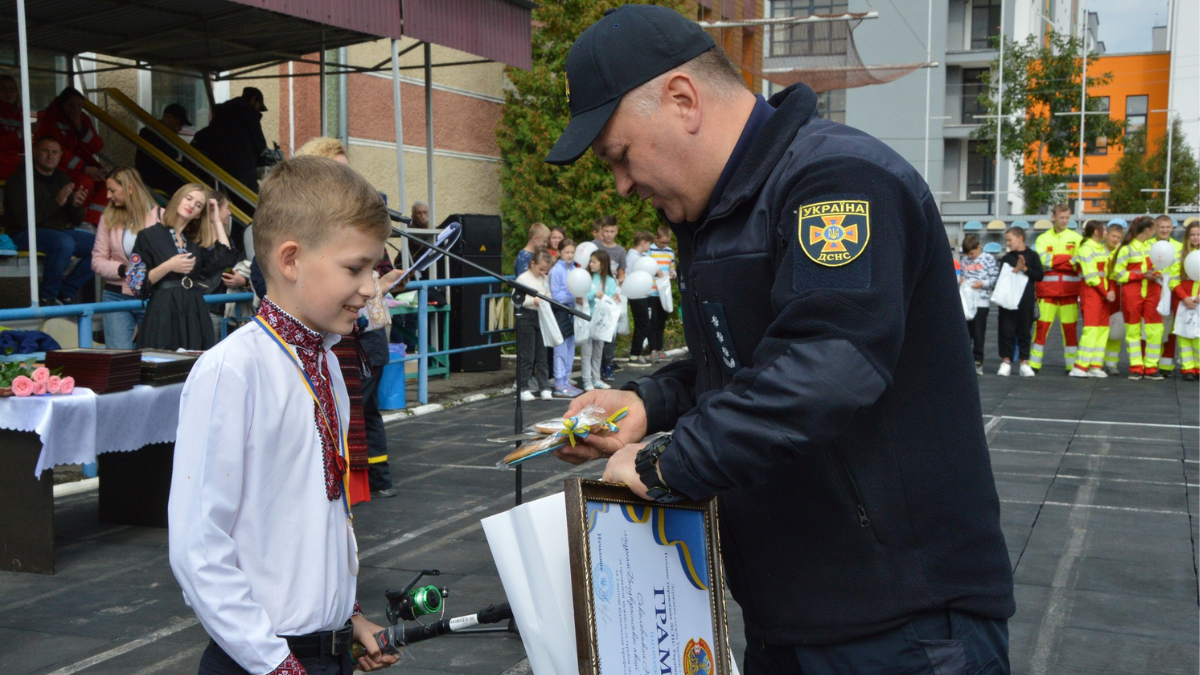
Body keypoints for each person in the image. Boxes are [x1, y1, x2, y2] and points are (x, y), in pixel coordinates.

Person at [547, 7, 1014, 672]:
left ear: (683, 99)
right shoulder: (724, 213)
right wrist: (648, 402)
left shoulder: (837, 181)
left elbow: (828, 364)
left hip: (899, 624)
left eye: (620, 154)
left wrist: (664, 465)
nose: (622, 184)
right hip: (794, 615)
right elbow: (746, 363)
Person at [168, 156, 401, 675]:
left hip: (324, 652)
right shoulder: (232, 370)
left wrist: (350, 617)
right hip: (264, 660)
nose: (370, 287)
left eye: (373, 269)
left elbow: (319, 523)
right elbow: (197, 548)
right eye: (355, 268)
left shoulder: (329, 366)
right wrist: (277, 665)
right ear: (291, 259)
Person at [294, 136, 399, 500]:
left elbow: (376, 283)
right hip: (318, 340)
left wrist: (381, 282)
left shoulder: (359, 233)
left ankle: (366, 483)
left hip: (358, 337)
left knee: (362, 413)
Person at [125, 183, 239, 350]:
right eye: (189, 198)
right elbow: (135, 283)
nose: (191, 205)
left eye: (198, 205)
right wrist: (169, 266)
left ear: (199, 214)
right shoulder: (148, 236)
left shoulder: (194, 242)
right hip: (163, 310)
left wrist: (215, 220)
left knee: (193, 366)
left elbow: (226, 258)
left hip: (193, 310)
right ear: (179, 198)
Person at [1, 135, 94, 305]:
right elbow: (23, 221)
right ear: (35, 152)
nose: (50, 156)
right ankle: (47, 297)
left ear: (60, 156)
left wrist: (75, 205)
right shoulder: (20, 178)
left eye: (54, 152)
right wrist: (56, 202)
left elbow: (77, 220)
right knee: (64, 243)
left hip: (57, 233)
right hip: (23, 233)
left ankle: (65, 293)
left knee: (103, 246)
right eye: (45, 151)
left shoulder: (62, 178)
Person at [92, 166, 162, 348]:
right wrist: (124, 270)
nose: (108, 196)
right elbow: (97, 260)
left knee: (153, 357)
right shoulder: (107, 217)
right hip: (116, 296)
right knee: (119, 358)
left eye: (112, 190)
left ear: (130, 188)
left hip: (152, 295)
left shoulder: (160, 217)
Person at [37, 87, 110, 225]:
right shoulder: (51, 119)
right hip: (59, 168)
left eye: (79, 106)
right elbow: (55, 152)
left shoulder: (83, 120)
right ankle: (78, 221)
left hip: (82, 167)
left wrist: (80, 128)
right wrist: (84, 168)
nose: (75, 109)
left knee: (110, 182)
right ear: (62, 104)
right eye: (71, 105)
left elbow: (98, 146)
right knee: (86, 182)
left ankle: (91, 222)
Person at [1031, 204, 1083, 373]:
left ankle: (1071, 366)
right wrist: (1067, 259)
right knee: (1041, 329)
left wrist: (1054, 261)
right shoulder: (1043, 238)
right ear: (1053, 217)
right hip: (1047, 293)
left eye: (1067, 217)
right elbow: (1042, 261)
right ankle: (1034, 364)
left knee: (1070, 331)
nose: (1064, 221)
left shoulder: (1076, 238)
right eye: (1061, 217)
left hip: (1069, 293)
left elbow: (1078, 262)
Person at [1109, 216, 1163, 380]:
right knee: (1133, 330)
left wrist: (1157, 274)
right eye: (1154, 229)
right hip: (1133, 292)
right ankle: (1136, 367)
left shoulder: (1153, 246)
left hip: (1152, 291)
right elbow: (1118, 273)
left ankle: (1151, 367)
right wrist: (1140, 276)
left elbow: (1160, 266)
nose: (1155, 232)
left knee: (1155, 329)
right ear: (1148, 230)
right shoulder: (1126, 248)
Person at [191, 87, 268, 195]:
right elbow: (260, 145)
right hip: (243, 173)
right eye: (258, 107)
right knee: (252, 207)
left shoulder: (221, 112)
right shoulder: (249, 113)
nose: (258, 110)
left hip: (219, 172)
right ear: (253, 100)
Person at [997, 227, 1044, 377]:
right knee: (1007, 331)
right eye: (1006, 240)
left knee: (1024, 331)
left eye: (1010, 240)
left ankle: (1024, 361)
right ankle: (1006, 361)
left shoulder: (1033, 255)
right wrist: (1016, 269)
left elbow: (1040, 275)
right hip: (1008, 300)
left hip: (1026, 300)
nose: (1008, 243)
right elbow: (1001, 278)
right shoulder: (1007, 258)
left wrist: (1025, 268)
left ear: (1020, 238)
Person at [1073, 220, 1116, 378]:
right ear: (1096, 232)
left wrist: (1109, 291)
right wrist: (1107, 292)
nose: (1106, 233)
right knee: (1091, 330)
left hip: (1102, 294)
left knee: (1102, 330)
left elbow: (1107, 272)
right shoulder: (1086, 249)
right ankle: (1080, 366)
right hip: (1092, 293)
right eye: (1104, 230)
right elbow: (1091, 276)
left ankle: (1095, 365)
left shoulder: (1100, 249)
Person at [514, 248, 554, 401]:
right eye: (540, 269)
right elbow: (516, 300)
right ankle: (523, 386)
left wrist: (546, 299)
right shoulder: (523, 279)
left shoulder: (544, 278)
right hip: (526, 316)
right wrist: (533, 301)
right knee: (528, 355)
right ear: (532, 264)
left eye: (545, 270)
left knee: (542, 354)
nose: (542, 272)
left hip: (541, 316)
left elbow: (548, 294)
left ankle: (544, 386)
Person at [590, 215, 625, 381]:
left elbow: (622, 272)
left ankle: (608, 365)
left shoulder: (620, 251)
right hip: (594, 294)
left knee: (610, 331)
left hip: (611, 291)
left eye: (612, 231)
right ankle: (593, 368)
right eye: (606, 231)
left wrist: (619, 289)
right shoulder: (594, 246)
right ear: (601, 231)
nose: (609, 234)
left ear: (617, 231)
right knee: (594, 333)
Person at [548, 239, 583, 398]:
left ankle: (566, 380)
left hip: (571, 312)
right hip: (560, 312)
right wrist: (574, 296)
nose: (570, 255)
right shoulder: (556, 270)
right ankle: (559, 383)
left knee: (570, 348)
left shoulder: (574, 268)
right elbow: (556, 296)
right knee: (560, 349)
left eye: (572, 252)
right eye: (567, 252)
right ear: (560, 253)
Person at [580, 249, 618, 392]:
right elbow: (582, 294)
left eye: (594, 261)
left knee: (598, 352)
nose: (591, 264)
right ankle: (586, 380)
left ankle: (596, 379)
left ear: (603, 264)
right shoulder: (587, 278)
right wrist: (593, 294)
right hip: (587, 318)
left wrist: (613, 298)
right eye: (590, 261)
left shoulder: (610, 280)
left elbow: (611, 297)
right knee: (587, 352)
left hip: (601, 322)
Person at [959, 234, 998, 374]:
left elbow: (994, 278)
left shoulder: (988, 258)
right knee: (965, 333)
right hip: (967, 302)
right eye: (967, 254)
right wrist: (962, 281)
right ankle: (965, 360)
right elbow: (963, 275)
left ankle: (978, 361)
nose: (970, 256)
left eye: (972, 253)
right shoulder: (964, 260)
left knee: (978, 333)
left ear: (979, 247)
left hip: (981, 301)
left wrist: (983, 284)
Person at [135, 102, 190, 196]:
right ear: (168, 117)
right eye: (179, 123)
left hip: (162, 181)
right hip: (155, 183)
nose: (180, 128)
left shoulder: (166, 135)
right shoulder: (150, 133)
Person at [1152, 214, 1183, 376]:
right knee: (1151, 329)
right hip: (1151, 290)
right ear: (1155, 228)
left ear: (1172, 228)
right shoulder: (1147, 245)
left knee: (1171, 329)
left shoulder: (1179, 246)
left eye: (1167, 227)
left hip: (1171, 291)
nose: (1164, 230)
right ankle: (1150, 364)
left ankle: (1166, 366)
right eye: (1161, 227)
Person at [1170, 222, 1200, 380]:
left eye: (1198, 234)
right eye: (1192, 234)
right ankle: (1188, 369)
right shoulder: (1180, 255)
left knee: (1198, 337)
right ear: (1187, 237)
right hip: (1183, 302)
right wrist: (1185, 297)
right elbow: (1174, 280)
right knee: (1184, 335)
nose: (1195, 238)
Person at [626, 230, 657, 366]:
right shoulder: (633, 257)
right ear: (643, 242)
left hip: (642, 294)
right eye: (649, 243)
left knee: (644, 324)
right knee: (642, 325)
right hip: (637, 295)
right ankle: (634, 354)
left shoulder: (639, 255)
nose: (649, 246)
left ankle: (636, 353)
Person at [646, 224, 675, 363]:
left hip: (664, 291)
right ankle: (653, 350)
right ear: (656, 238)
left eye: (667, 243)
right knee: (653, 321)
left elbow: (673, 269)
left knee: (662, 321)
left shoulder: (670, 252)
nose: (664, 245)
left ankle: (660, 348)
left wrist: (672, 273)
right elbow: (644, 268)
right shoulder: (650, 250)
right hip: (652, 291)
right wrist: (654, 271)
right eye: (662, 242)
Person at [1102, 221, 1126, 375]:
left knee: (1115, 326)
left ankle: (1112, 363)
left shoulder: (1122, 251)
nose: (1115, 239)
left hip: (1116, 291)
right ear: (1106, 235)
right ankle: (1097, 361)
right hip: (1100, 291)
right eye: (1113, 236)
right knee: (1100, 328)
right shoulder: (1098, 250)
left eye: (1118, 237)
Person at [0, 73, 24, 180]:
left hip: (14, 163)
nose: (9, 93)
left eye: (12, 89)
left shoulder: (19, 113)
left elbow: (22, 148)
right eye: (3, 89)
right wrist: (19, 133)